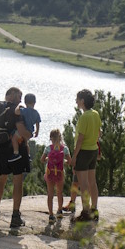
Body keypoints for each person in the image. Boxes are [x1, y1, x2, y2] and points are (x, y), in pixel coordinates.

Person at [0, 86, 29, 229]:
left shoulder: (0, 109)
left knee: (1, 179)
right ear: (12, 95)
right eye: (19, 95)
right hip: (16, 150)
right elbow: (21, 130)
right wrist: (29, 135)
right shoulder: (16, 110)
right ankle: (15, 216)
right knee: (17, 181)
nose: (21, 98)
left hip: (1, 148)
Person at [70, 88, 101, 222]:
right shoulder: (95, 114)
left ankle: (85, 212)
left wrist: (74, 157)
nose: (76, 102)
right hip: (93, 150)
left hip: (83, 152)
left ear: (82, 101)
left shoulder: (84, 117)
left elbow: (80, 139)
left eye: (77, 99)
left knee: (83, 184)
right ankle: (94, 209)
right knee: (92, 182)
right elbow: (99, 133)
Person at [40, 128, 70, 220]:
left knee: (50, 194)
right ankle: (60, 211)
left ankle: (51, 214)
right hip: (60, 173)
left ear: (51, 138)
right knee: (59, 193)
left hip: (50, 172)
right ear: (60, 137)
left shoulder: (48, 148)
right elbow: (70, 161)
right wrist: (63, 161)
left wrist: (48, 159)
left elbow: (41, 160)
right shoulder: (64, 148)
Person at [9, 92, 40, 162]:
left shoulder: (24, 111)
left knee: (14, 139)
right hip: (30, 132)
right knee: (26, 143)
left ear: (25, 103)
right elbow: (38, 122)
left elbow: (16, 112)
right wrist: (37, 131)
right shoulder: (36, 112)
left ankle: (16, 153)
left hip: (23, 130)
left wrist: (19, 106)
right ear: (34, 102)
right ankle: (28, 155)